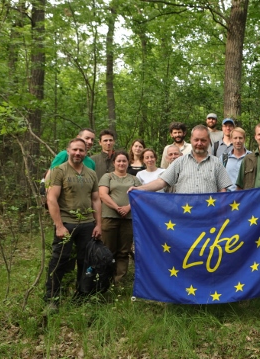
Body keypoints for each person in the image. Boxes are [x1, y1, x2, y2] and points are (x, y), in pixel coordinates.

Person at [44, 138, 102, 311]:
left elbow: (96, 199)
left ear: (86, 153)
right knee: (60, 260)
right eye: (75, 150)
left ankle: (82, 294)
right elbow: (51, 198)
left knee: (86, 261)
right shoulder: (58, 171)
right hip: (66, 223)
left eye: (81, 150)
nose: (78, 153)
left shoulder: (91, 173)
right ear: (68, 150)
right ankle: (52, 298)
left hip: (87, 224)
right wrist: (59, 226)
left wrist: (98, 224)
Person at [131, 125, 231, 194]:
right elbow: (161, 182)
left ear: (209, 141)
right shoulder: (180, 162)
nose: (199, 143)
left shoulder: (216, 163)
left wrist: (221, 212)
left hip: (209, 214)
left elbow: (223, 190)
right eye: (196, 140)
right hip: (184, 215)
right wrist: (139, 189)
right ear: (191, 140)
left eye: (203, 140)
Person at [99, 151, 141, 283]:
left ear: (128, 163)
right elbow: (103, 195)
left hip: (128, 219)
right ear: (114, 163)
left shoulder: (134, 179)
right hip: (109, 217)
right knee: (108, 249)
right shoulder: (108, 177)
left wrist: (128, 207)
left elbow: (140, 196)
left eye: (124, 161)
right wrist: (117, 208)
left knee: (124, 251)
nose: (121, 163)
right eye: (119, 161)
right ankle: (105, 279)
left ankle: (119, 280)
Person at [224, 127, 251, 191]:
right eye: (235, 138)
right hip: (229, 197)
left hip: (246, 196)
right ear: (231, 140)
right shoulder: (224, 158)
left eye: (240, 138)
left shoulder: (252, 157)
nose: (238, 141)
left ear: (244, 139)